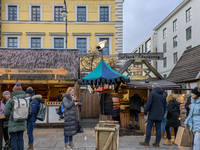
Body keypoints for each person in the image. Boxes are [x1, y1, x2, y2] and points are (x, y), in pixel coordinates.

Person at [139, 83, 166, 148]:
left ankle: (147, 141)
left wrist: (145, 112)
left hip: (152, 114)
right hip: (160, 114)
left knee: (149, 127)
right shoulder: (163, 95)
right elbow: (164, 105)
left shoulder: (152, 93)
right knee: (158, 128)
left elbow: (148, 104)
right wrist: (163, 113)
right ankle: (157, 143)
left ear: (152, 87)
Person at [4, 82, 29, 150]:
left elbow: (6, 111)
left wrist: (9, 118)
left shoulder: (11, 100)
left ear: (14, 90)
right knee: (21, 138)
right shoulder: (25, 99)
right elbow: (29, 111)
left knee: (14, 139)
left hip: (13, 122)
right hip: (22, 122)